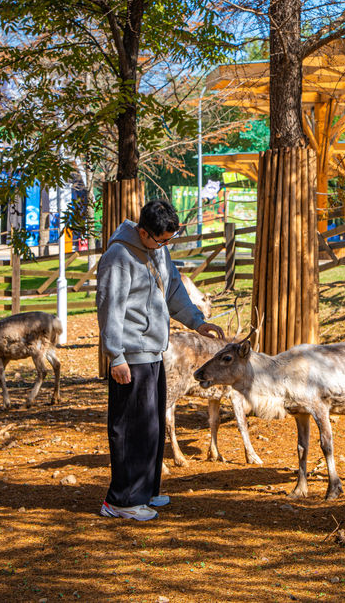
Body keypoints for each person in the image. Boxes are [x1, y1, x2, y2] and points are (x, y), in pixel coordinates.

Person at [96, 198, 225, 521]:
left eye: (170, 239)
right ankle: (121, 501)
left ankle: (145, 493)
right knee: (130, 428)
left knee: (151, 427)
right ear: (142, 231)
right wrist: (115, 357)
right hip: (130, 355)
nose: (165, 245)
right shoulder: (118, 256)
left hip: (154, 351)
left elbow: (173, 292)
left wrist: (198, 321)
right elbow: (109, 308)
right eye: (161, 239)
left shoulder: (158, 250)